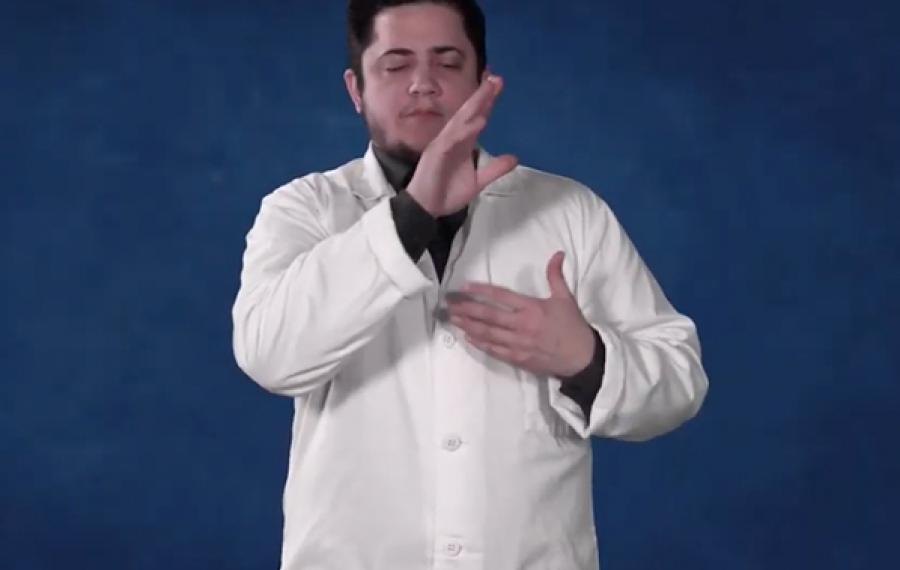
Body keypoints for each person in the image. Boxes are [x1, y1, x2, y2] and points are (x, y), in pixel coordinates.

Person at [231, 1, 709, 568]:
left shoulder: (567, 211)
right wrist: (412, 214)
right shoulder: (306, 209)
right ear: (356, 88)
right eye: (396, 64)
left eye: (448, 62)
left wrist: (588, 360)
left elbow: (680, 381)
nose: (424, 85)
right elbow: (269, 354)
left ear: (482, 80)